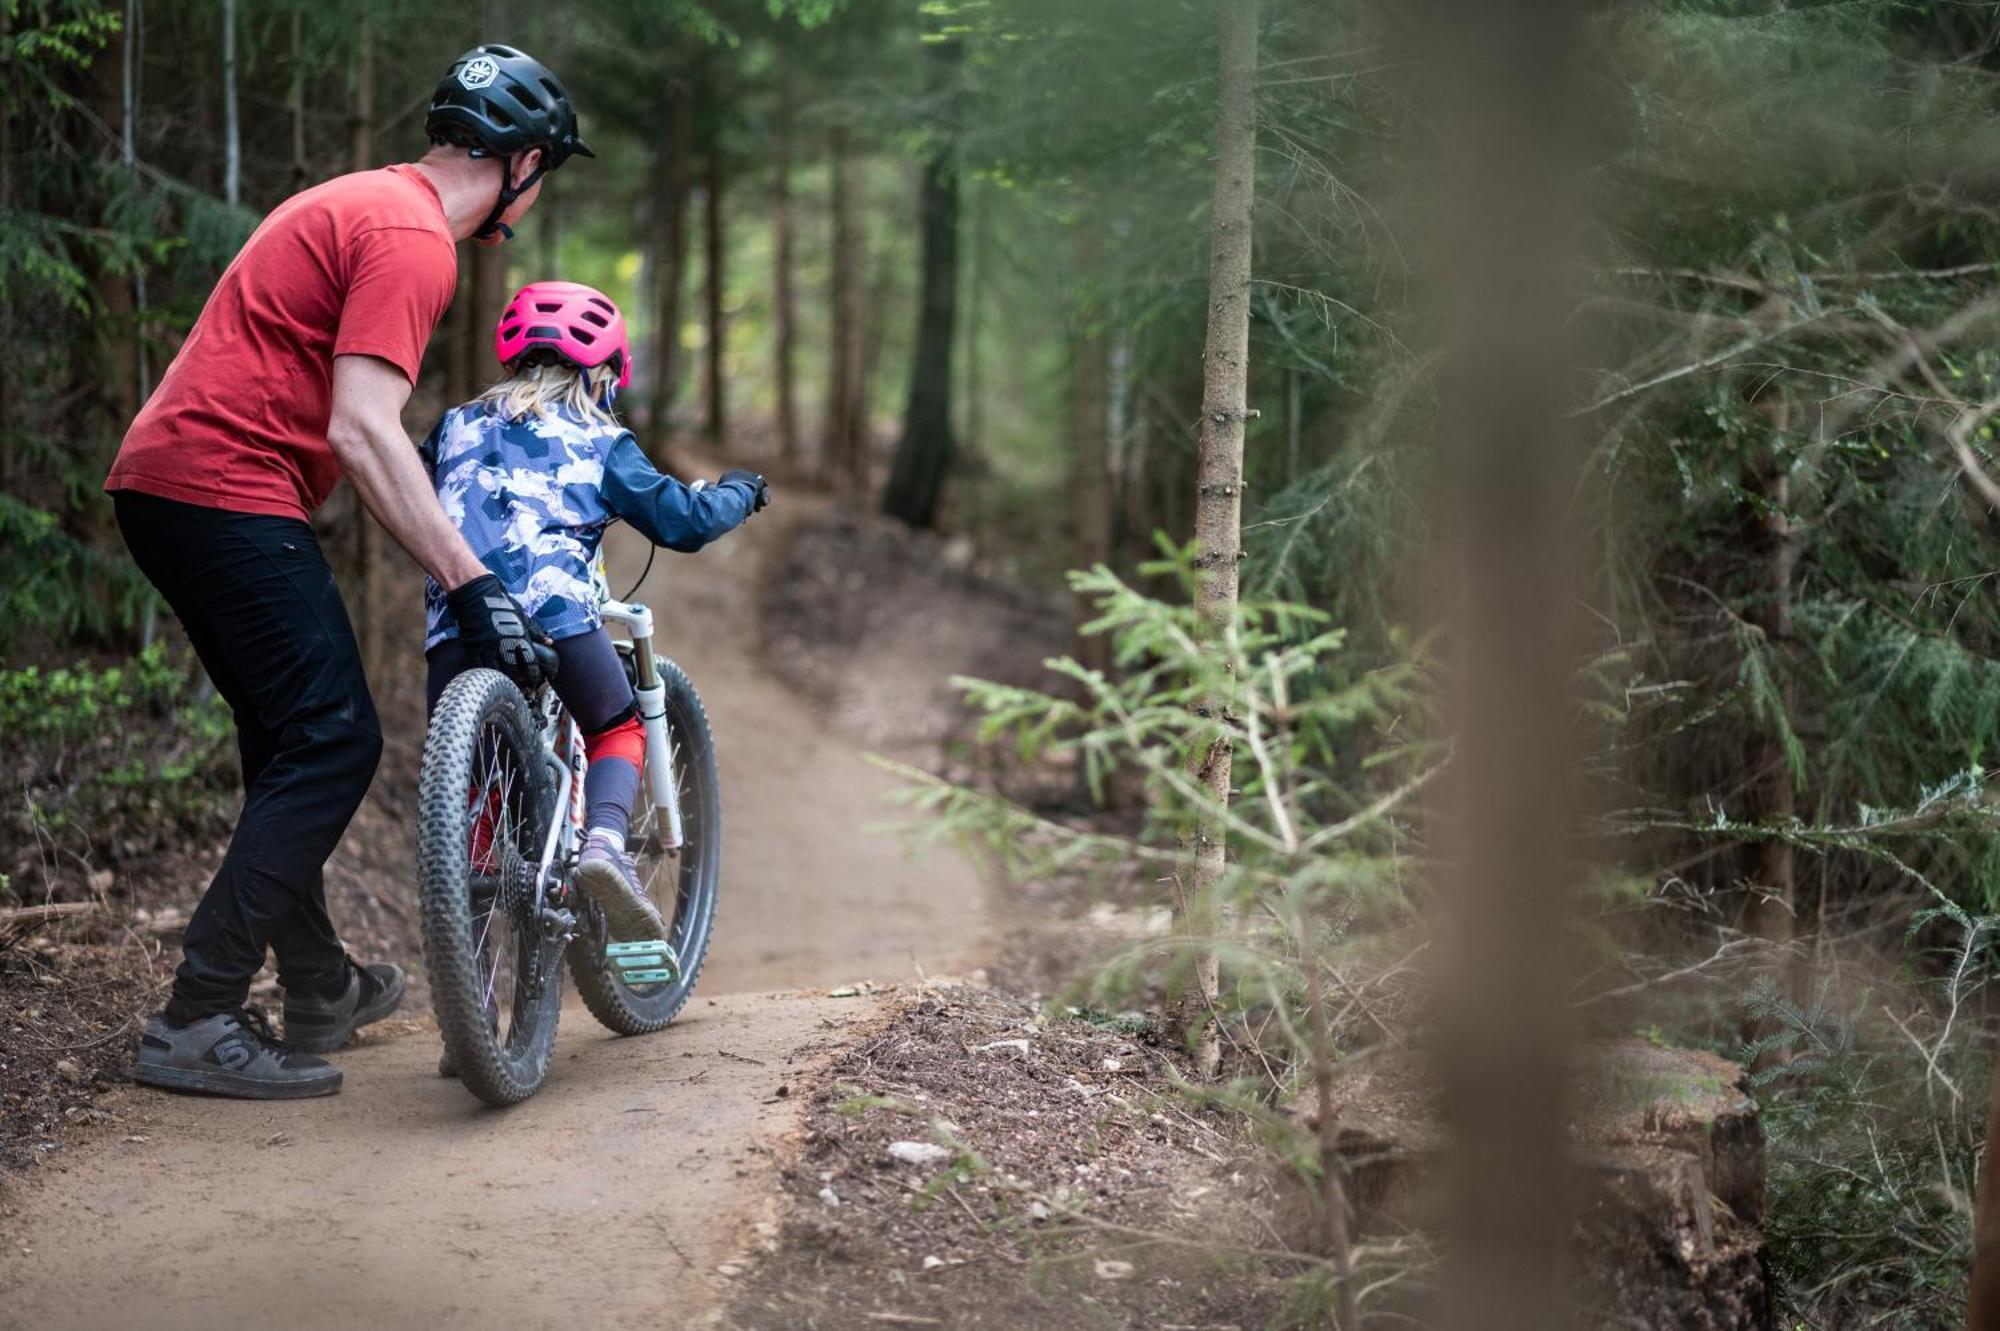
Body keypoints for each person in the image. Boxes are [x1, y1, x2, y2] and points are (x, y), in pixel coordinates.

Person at [106, 45, 591, 1100]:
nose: (538, 189)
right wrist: (472, 581)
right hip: (221, 486)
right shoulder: (415, 239)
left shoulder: (365, 201)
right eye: (544, 170)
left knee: (285, 735)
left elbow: (357, 429)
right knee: (334, 736)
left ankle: (321, 983)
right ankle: (196, 1014)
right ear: (521, 163)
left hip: (170, 481)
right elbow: (363, 429)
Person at [421, 281, 768, 943]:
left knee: (475, 792)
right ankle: (605, 845)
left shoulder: (454, 426)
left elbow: (408, 488)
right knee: (616, 724)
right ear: (604, 373)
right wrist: (737, 493)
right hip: (558, 618)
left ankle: (471, 993)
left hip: (457, 624)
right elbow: (682, 520)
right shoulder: (601, 438)